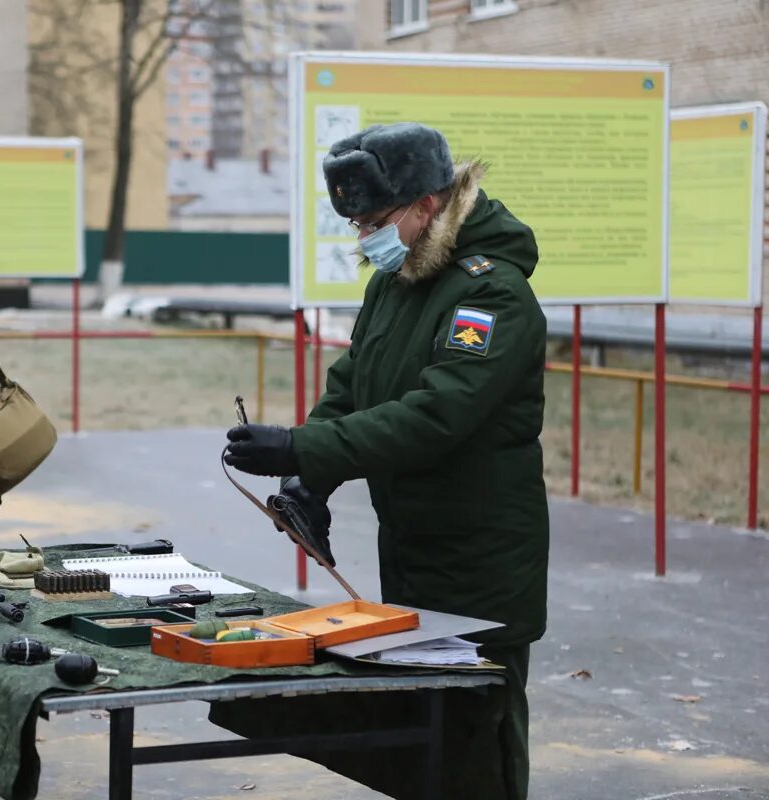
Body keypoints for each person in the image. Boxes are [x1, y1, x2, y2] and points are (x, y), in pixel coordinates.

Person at [223, 122, 548, 800]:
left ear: (427, 205)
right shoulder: (397, 280)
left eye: (375, 219)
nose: (364, 235)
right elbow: (353, 385)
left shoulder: (492, 295)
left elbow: (436, 417)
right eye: (356, 222)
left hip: (482, 561)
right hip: (414, 547)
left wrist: (300, 445)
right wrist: (307, 477)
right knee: (425, 734)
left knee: (475, 739)